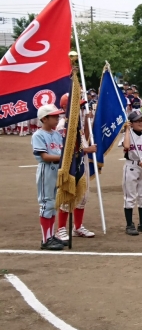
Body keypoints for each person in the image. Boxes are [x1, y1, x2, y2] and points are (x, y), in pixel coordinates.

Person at [54, 94, 97, 243]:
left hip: (81, 162)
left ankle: (77, 227)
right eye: (76, 106)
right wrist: (87, 150)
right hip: (70, 164)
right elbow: (65, 149)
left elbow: (83, 137)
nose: (79, 108)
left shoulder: (76, 123)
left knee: (83, 196)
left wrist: (86, 120)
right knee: (68, 195)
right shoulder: (63, 126)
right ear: (66, 107)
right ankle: (61, 229)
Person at [31, 104, 67, 250]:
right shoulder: (38, 135)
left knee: (53, 205)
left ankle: (51, 236)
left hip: (56, 171)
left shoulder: (57, 134)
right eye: (54, 116)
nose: (57, 118)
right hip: (47, 171)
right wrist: (64, 157)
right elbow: (45, 156)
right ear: (44, 119)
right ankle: (46, 239)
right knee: (47, 203)